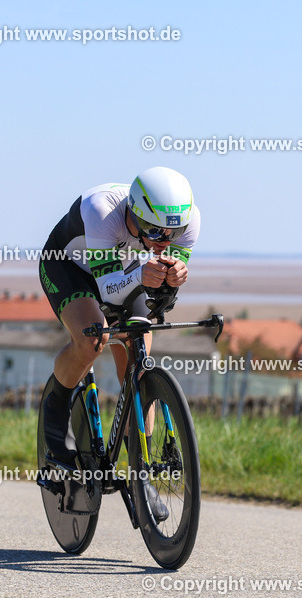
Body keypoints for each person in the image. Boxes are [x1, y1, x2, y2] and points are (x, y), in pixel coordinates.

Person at [38, 167, 200, 520]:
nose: (164, 240)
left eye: (172, 233)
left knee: (139, 342)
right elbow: (109, 290)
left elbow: (163, 296)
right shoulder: (102, 211)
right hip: (71, 267)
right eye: (155, 231)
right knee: (93, 337)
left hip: (125, 268)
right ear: (134, 212)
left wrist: (174, 278)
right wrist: (143, 274)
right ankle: (56, 405)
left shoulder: (188, 221)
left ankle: (142, 472)